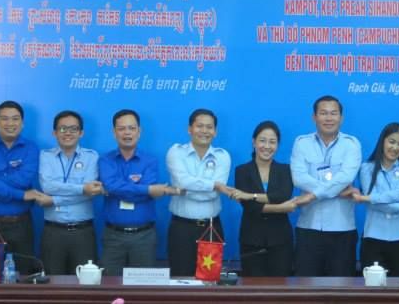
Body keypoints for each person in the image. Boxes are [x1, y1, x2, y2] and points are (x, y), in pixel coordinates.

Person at [99, 109, 179, 276]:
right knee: (109, 285)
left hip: (144, 237)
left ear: (139, 131)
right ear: (114, 132)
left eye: (132, 128)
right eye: (121, 128)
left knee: (142, 286)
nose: (127, 133)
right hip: (113, 236)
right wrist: (148, 190)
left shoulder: (150, 161)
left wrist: (118, 188)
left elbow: (114, 188)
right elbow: (112, 186)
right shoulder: (105, 160)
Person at [290, 95, 362, 277]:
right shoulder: (301, 143)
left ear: (341, 118)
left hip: (342, 229)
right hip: (309, 227)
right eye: (323, 113)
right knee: (305, 287)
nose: (329, 118)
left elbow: (346, 177)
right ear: (314, 117)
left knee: (341, 288)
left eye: (333, 113)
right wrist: (337, 191)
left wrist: (313, 194)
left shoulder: (352, 144)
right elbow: (298, 178)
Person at [0, 101, 48, 275]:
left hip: (21, 223)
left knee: (24, 275)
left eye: (15, 119)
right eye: (5, 119)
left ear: (22, 123)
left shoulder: (31, 148)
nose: (10, 123)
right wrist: (21, 195)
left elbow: (24, 178)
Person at [165, 108, 235, 277]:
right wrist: (214, 185)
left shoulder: (222, 156)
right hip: (182, 228)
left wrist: (187, 190)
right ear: (189, 129)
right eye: (199, 126)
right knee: (180, 279)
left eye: (209, 127)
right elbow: (182, 182)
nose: (204, 131)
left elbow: (212, 194)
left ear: (215, 132)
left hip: (211, 228)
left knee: (209, 281)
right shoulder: (176, 152)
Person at [231, 121, 300, 277]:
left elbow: (283, 196)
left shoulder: (285, 170)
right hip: (251, 239)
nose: (267, 146)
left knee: (280, 288)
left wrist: (251, 195)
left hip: (281, 241)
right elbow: (250, 207)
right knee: (252, 288)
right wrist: (281, 208)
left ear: (277, 145)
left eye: (272, 142)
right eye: (262, 140)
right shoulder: (242, 171)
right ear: (254, 142)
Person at [349, 122, 399, 277]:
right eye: (391, 142)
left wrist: (367, 198)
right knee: (372, 288)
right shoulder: (366, 168)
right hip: (373, 239)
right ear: (383, 141)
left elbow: (397, 195)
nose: (395, 147)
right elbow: (376, 205)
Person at [38, 110, 102, 275]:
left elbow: (91, 192)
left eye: (73, 129)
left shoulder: (91, 157)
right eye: (62, 128)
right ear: (54, 132)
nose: (68, 133)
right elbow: (48, 187)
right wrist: (81, 188)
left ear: (81, 133)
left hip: (83, 232)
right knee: (52, 282)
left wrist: (54, 200)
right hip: (53, 232)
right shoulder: (45, 156)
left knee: (86, 282)